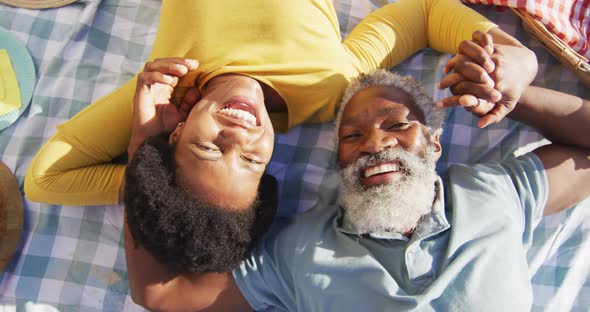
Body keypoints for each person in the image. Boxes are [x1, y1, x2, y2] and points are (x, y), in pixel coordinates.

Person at [124, 35, 590, 310]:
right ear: (339, 163)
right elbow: (160, 294)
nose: (375, 144)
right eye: (352, 137)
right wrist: (145, 142)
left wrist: (517, 96)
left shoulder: (491, 193)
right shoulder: (298, 253)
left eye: (398, 125)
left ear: (435, 145)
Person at [24, 0, 531, 207]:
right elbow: (421, 14)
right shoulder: (333, 85)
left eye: (208, 151)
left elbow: (44, 180)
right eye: (251, 159)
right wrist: (516, 59)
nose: (239, 137)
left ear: (175, 135)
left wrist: (150, 150)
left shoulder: (167, 85)